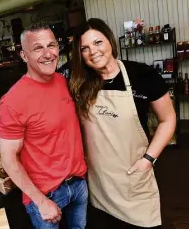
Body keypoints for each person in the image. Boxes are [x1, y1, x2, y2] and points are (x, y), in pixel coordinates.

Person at [69, 18, 176, 229]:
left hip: (133, 176)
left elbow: (168, 119)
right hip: (100, 181)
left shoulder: (143, 75)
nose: (93, 52)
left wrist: (148, 159)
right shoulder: (80, 84)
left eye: (98, 42)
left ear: (110, 41)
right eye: (85, 48)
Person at [0, 21, 88, 229]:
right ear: (23, 55)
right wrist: (40, 201)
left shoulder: (63, 81)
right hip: (45, 195)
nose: (48, 54)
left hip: (78, 184)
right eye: (38, 48)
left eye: (52, 45)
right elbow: (8, 159)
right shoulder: (13, 101)